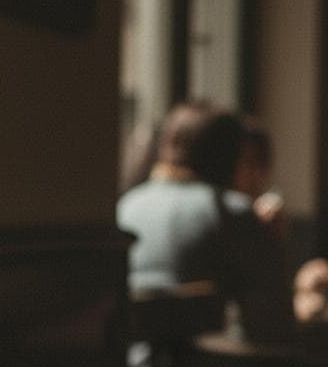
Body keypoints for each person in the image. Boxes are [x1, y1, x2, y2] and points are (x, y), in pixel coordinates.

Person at [117, 101, 295, 354]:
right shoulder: (228, 210)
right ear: (229, 154)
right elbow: (276, 324)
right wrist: (273, 243)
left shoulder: (127, 205)